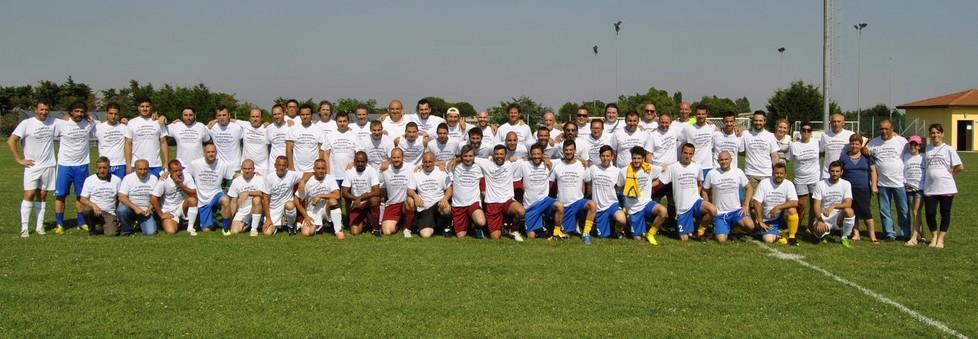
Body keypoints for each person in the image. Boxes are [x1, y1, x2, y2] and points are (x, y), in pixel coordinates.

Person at [9, 100, 57, 237]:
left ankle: (39, 227)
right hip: (32, 166)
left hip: (48, 165)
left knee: (42, 195)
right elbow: (11, 140)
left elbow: (67, 121)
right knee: (29, 194)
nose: (44, 112)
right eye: (41, 109)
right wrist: (19, 159)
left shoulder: (53, 122)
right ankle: (24, 228)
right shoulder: (26, 123)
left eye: (46, 110)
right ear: (36, 110)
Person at [53, 101, 96, 233]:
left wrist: (123, 120)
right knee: (60, 196)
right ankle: (59, 224)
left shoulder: (90, 123)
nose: (79, 114)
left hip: (81, 165)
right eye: (76, 111)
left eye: (82, 112)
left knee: (80, 196)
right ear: (70, 112)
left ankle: (81, 222)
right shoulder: (61, 123)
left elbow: (107, 125)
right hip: (64, 165)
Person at [659, 143, 716, 241]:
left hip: (695, 202)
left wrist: (697, 194)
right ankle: (682, 228)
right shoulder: (673, 167)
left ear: (693, 154)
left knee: (713, 210)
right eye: (685, 153)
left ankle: (700, 231)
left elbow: (699, 183)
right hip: (683, 208)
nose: (687, 156)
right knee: (684, 239)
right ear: (681, 152)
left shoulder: (697, 167)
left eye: (690, 154)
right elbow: (660, 182)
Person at [867, 119, 910, 241]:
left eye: (886, 129)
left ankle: (905, 233)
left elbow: (910, 154)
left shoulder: (901, 141)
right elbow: (865, 150)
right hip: (882, 183)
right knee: (884, 210)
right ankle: (889, 233)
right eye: (881, 129)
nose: (884, 131)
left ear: (892, 129)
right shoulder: (874, 142)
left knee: (903, 210)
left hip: (899, 182)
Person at [921, 124, 963, 249]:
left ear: (942, 134)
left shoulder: (948, 149)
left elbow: (960, 166)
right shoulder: (927, 148)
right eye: (933, 133)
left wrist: (952, 173)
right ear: (930, 135)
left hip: (946, 187)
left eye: (938, 132)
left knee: (945, 213)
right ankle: (934, 236)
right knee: (930, 213)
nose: (935, 135)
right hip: (930, 188)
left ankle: (941, 239)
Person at [474, 145, 525, 241]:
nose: (499, 156)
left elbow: (528, 158)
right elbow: (470, 157)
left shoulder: (510, 165)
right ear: (493, 155)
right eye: (496, 154)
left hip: (507, 201)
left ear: (506, 155)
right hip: (492, 203)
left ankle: (513, 230)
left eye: (501, 154)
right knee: (495, 237)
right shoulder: (487, 164)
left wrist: (545, 160)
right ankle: (503, 227)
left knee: (521, 211)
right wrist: (454, 161)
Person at [703, 151, 755, 244]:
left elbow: (749, 188)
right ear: (718, 161)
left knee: (750, 226)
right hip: (720, 213)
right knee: (721, 240)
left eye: (726, 159)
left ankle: (735, 230)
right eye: (721, 160)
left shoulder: (738, 172)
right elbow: (704, 190)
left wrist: (746, 205)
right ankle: (720, 229)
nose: (724, 161)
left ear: (731, 160)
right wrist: (708, 205)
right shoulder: (712, 173)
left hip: (736, 211)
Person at [619, 147, 668, 244]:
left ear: (643, 158)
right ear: (631, 158)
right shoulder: (624, 171)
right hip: (633, 208)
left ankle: (650, 233)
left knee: (663, 211)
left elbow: (664, 168)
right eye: (634, 158)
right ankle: (630, 223)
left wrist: (650, 184)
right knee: (637, 238)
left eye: (639, 158)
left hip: (646, 203)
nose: (636, 161)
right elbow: (620, 187)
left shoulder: (649, 168)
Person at [549, 140, 597, 240]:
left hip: (578, 202)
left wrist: (586, 164)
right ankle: (571, 225)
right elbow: (550, 182)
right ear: (563, 151)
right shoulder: (557, 166)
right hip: (564, 205)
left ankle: (586, 234)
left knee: (592, 204)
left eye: (571, 150)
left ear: (574, 150)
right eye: (566, 150)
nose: (568, 152)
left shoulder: (581, 165)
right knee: (567, 233)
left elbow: (587, 180)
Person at [516, 144, 562, 239]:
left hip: (545, 201)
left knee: (560, 206)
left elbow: (565, 158)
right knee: (531, 236)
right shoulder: (523, 165)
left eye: (538, 154)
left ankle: (556, 232)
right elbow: (510, 162)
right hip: (530, 205)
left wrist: (582, 161)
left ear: (542, 155)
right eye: (534, 154)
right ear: (530, 155)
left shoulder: (549, 164)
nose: (536, 156)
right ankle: (542, 226)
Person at [839, 133, 878, 243]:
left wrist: (874, 186)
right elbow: (840, 172)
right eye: (852, 143)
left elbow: (873, 171)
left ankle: (872, 236)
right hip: (848, 190)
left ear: (861, 145)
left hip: (863, 188)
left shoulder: (867, 157)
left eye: (857, 144)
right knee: (853, 211)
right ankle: (856, 233)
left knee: (866, 211)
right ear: (849, 144)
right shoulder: (844, 157)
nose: (854, 146)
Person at [189, 143, 235, 235]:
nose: (211, 154)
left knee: (225, 200)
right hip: (202, 199)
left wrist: (252, 175)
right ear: (204, 153)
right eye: (208, 152)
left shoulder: (222, 165)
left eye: (213, 152)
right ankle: (207, 221)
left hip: (216, 194)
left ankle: (225, 228)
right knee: (206, 230)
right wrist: (166, 174)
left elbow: (233, 176)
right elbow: (185, 174)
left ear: (216, 152)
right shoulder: (195, 164)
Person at [810, 161, 857, 247]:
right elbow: (816, 205)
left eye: (837, 171)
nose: (834, 173)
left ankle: (844, 236)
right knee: (818, 231)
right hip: (824, 216)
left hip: (839, 217)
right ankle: (824, 234)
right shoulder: (820, 184)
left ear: (841, 172)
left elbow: (848, 203)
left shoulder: (846, 184)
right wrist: (820, 220)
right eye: (832, 171)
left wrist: (834, 205)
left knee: (849, 211)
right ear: (829, 171)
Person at [585, 145, 626, 244]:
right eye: (603, 156)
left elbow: (620, 187)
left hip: (611, 204)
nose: (605, 158)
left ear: (612, 157)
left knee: (622, 220)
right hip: (599, 208)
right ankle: (599, 224)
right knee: (602, 236)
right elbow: (587, 181)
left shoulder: (617, 171)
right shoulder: (593, 168)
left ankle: (618, 231)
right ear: (600, 157)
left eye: (608, 156)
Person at [752, 163, 799, 244]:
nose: (779, 175)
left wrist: (778, 207)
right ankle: (781, 235)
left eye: (781, 173)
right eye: (776, 173)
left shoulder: (789, 184)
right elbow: (757, 202)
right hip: (767, 219)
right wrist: (760, 221)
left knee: (792, 209)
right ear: (772, 173)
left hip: (781, 217)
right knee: (768, 240)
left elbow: (795, 202)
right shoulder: (764, 183)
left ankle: (791, 237)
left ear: (785, 175)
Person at [408, 152, 452, 238]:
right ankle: (433, 226)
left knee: (446, 207)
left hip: (438, 205)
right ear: (422, 162)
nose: (428, 164)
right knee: (426, 235)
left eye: (430, 161)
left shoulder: (441, 172)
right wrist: (415, 196)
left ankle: (447, 228)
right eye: (425, 162)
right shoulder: (417, 174)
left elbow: (449, 188)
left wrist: (445, 199)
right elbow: (409, 189)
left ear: (434, 161)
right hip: (425, 208)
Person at [295, 159, 343, 238]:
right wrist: (306, 216)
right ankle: (320, 226)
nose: (321, 171)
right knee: (307, 233)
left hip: (325, 210)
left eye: (323, 168)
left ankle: (338, 231)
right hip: (312, 212)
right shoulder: (308, 182)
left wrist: (320, 195)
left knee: (332, 201)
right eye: (318, 168)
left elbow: (337, 195)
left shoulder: (330, 178)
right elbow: (296, 200)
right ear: (314, 169)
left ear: (326, 169)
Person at [447, 145, 487, 238]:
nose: (468, 158)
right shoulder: (455, 167)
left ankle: (476, 226)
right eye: (465, 156)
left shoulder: (479, 168)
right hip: (458, 205)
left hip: (473, 203)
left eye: (470, 156)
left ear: (474, 157)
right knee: (460, 236)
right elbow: (441, 165)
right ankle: (467, 225)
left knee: (481, 221)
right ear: (461, 157)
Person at [151, 160, 199, 236]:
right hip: (169, 210)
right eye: (175, 171)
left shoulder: (187, 176)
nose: (179, 173)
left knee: (192, 200)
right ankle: (173, 222)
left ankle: (190, 228)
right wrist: (161, 214)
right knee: (171, 232)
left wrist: (180, 184)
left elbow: (194, 193)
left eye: (180, 170)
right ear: (169, 171)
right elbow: (153, 198)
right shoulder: (164, 180)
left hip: (182, 206)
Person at [788, 121, 822, 228]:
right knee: (801, 205)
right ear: (800, 131)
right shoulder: (794, 145)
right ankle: (796, 227)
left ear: (811, 132)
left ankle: (811, 226)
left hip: (814, 178)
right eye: (804, 130)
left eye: (809, 130)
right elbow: (788, 159)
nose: (806, 132)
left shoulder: (817, 143)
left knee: (814, 204)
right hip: (800, 179)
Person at [79, 157, 122, 236]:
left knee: (111, 234)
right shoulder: (89, 180)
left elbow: (120, 199)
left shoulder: (117, 180)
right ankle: (91, 229)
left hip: (109, 212)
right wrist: (93, 205)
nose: (102, 170)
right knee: (87, 210)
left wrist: (118, 216)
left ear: (109, 167)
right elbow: (82, 199)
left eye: (105, 168)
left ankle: (105, 224)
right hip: (94, 211)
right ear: (96, 168)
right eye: (100, 168)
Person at [125, 98, 169, 177]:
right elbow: (128, 144)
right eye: (142, 106)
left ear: (151, 107)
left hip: (155, 164)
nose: (145, 109)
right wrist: (128, 164)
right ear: (138, 108)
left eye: (147, 106)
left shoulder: (158, 122)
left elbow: (163, 142)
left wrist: (166, 162)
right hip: (137, 165)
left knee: (156, 188)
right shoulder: (132, 122)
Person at [379, 148, 417, 237]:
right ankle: (400, 224)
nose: (396, 160)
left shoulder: (410, 167)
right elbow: (381, 187)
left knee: (410, 201)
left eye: (398, 157)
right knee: (387, 231)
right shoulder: (384, 169)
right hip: (392, 204)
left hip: (405, 203)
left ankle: (407, 229)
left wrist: (440, 164)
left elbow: (426, 163)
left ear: (403, 157)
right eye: (394, 157)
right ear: (390, 158)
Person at [342, 152, 382, 236]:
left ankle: (375, 229)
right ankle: (366, 222)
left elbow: (377, 191)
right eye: (358, 161)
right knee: (355, 232)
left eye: (362, 162)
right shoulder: (349, 172)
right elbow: (344, 192)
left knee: (375, 199)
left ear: (366, 161)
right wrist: (355, 199)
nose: (360, 164)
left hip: (368, 203)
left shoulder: (371, 170)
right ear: (354, 161)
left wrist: (360, 198)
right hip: (356, 204)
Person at [117, 159, 160, 235]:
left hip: (146, 211)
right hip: (131, 209)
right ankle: (127, 230)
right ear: (135, 169)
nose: (143, 172)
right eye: (140, 169)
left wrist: (150, 208)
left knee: (151, 233)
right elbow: (122, 197)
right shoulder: (128, 178)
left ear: (148, 168)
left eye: (145, 169)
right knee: (121, 210)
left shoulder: (153, 178)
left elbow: (156, 197)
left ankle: (140, 224)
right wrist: (135, 208)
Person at [261, 156, 301, 236]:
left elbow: (309, 174)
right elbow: (265, 200)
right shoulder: (269, 178)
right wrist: (268, 219)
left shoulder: (291, 174)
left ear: (287, 166)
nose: (281, 168)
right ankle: (278, 225)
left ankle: (291, 226)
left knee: (290, 205)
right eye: (279, 165)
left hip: (286, 206)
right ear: (275, 165)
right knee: (267, 233)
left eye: (284, 165)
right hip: (274, 209)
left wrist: (302, 181)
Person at [226, 159, 264, 236]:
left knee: (257, 199)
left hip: (259, 208)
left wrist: (248, 193)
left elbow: (264, 194)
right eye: (245, 169)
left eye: (249, 168)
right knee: (234, 231)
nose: (247, 171)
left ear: (253, 169)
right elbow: (233, 202)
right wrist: (230, 219)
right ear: (241, 169)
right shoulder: (236, 181)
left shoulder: (260, 179)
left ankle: (253, 230)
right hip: (243, 210)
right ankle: (250, 223)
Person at [742, 111, 780, 188]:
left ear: (764, 121)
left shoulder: (770, 136)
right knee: (752, 199)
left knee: (766, 199)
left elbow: (774, 156)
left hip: (766, 174)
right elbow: (740, 151)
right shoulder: (746, 134)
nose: (758, 123)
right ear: (753, 121)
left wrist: (777, 172)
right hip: (751, 173)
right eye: (756, 120)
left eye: (760, 121)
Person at [322, 112, 361, 185]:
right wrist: (327, 171)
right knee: (335, 196)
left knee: (348, 196)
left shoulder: (354, 135)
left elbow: (359, 154)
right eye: (340, 121)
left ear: (348, 122)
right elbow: (326, 154)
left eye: (344, 121)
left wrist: (353, 163)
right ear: (336, 122)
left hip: (350, 174)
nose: (342, 123)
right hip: (334, 175)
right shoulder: (329, 135)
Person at [95, 103, 131, 180]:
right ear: (106, 113)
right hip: (104, 165)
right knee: (105, 190)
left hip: (120, 164)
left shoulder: (124, 127)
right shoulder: (98, 127)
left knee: (120, 189)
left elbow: (128, 145)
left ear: (119, 115)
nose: (113, 116)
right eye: (111, 113)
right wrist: (67, 117)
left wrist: (128, 164)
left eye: (116, 114)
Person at [286, 103, 325, 173]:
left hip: (313, 170)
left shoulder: (319, 130)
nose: (305, 116)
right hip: (297, 170)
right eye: (302, 114)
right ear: (299, 115)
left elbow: (321, 151)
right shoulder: (293, 129)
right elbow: (289, 149)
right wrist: (291, 167)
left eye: (307, 114)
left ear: (311, 115)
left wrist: (319, 168)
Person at [903, 136, 926, 247]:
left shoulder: (923, 157)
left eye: (915, 144)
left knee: (916, 211)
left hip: (920, 188)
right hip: (908, 187)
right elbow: (902, 170)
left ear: (919, 146)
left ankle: (914, 238)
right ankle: (921, 234)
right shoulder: (906, 157)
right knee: (915, 212)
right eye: (911, 144)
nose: (913, 146)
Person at [683, 104, 717, 177]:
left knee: (707, 188)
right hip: (693, 166)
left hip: (708, 166)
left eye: (703, 114)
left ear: (707, 114)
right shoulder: (688, 129)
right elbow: (682, 146)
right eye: (698, 114)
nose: (701, 116)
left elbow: (723, 132)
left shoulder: (712, 127)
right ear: (695, 114)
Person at [208, 105, 244, 172]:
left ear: (229, 115)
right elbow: (200, 130)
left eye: (224, 115)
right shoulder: (212, 127)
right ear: (216, 116)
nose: (222, 117)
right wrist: (213, 122)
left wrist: (265, 125)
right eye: (219, 115)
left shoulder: (237, 128)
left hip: (235, 168)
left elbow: (251, 128)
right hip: (219, 168)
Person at [820, 112, 854, 178]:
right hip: (828, 174)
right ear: (830, 123)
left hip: (845, 173)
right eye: (834, 121)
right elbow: (821, 152)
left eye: (839, 121)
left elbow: (862, 142)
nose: (836, 124)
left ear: (843, 123)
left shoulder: (850, 134)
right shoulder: (825, 135)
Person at [238, 108, 269, 175]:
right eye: (253, 116)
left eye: (257, 116)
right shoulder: (245, 125)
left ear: (261, 118)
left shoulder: (267, 129)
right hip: (246, 167)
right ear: (249, 118)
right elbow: (229, 120)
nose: (255, 119)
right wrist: (215, 121)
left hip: (263, 168)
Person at [265, 104, 291, 174]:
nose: (277, 116)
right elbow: (268, 147)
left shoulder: (290, 127)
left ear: (284, 114)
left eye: (279, 114)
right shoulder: (269, 128)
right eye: (275, 114)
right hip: (273, 165)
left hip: (288, 164)